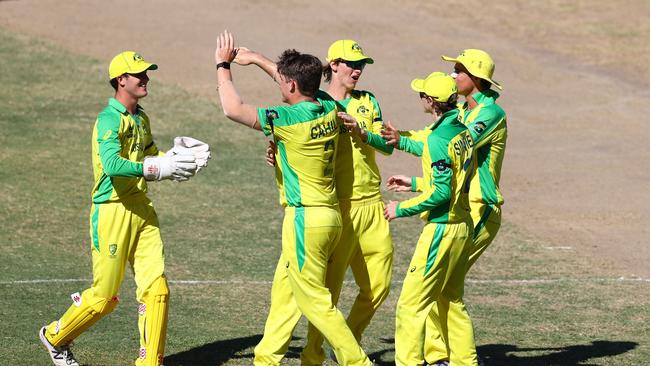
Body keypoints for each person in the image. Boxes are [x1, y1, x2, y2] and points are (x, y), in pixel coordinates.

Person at [38, 51, 211, 366]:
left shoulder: (141, 117)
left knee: (157, 290)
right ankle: (54, 337)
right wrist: (157, 169)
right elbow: (113, 164)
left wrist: (177, 157)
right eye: (139, 74)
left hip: (141, 209)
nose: (146, 79)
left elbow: (149, 154)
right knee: (104, 298)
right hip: (111, 210)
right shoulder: (108, 119)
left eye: (146, 73)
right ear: (121, 80)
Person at [214, 30, 372, 366]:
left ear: (291, 87)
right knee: (285, 294)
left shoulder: (286, 119)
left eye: (283, 82)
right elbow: (296, 81)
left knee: (315, 301)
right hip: (330, 218)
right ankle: (266, 360)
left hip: (304, 220)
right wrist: (256, 59)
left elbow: (233, 108)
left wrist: (222, 65)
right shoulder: (330, 108)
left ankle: (356, 361)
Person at [383, 72, 478, 366]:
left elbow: (440, 194)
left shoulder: (438, 138)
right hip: (463, 227)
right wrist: (413, 182)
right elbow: (454, 181)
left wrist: (399, 209)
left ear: (430, 101)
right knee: (451, 302)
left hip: (442, 230)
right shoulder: (462, 132)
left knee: (411, 305)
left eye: (422, 94)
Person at [423, 49, 507, 366]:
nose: (452, 75)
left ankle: (459, 359)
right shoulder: (464, 111)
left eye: (458, 70)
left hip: (480, 209)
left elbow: (454, 145)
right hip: (460, 208)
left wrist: (407, 141)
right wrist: (394, 138)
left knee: (443, 285)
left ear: (475, 79)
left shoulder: (490, 114)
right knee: (436, 283)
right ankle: (444, 357)